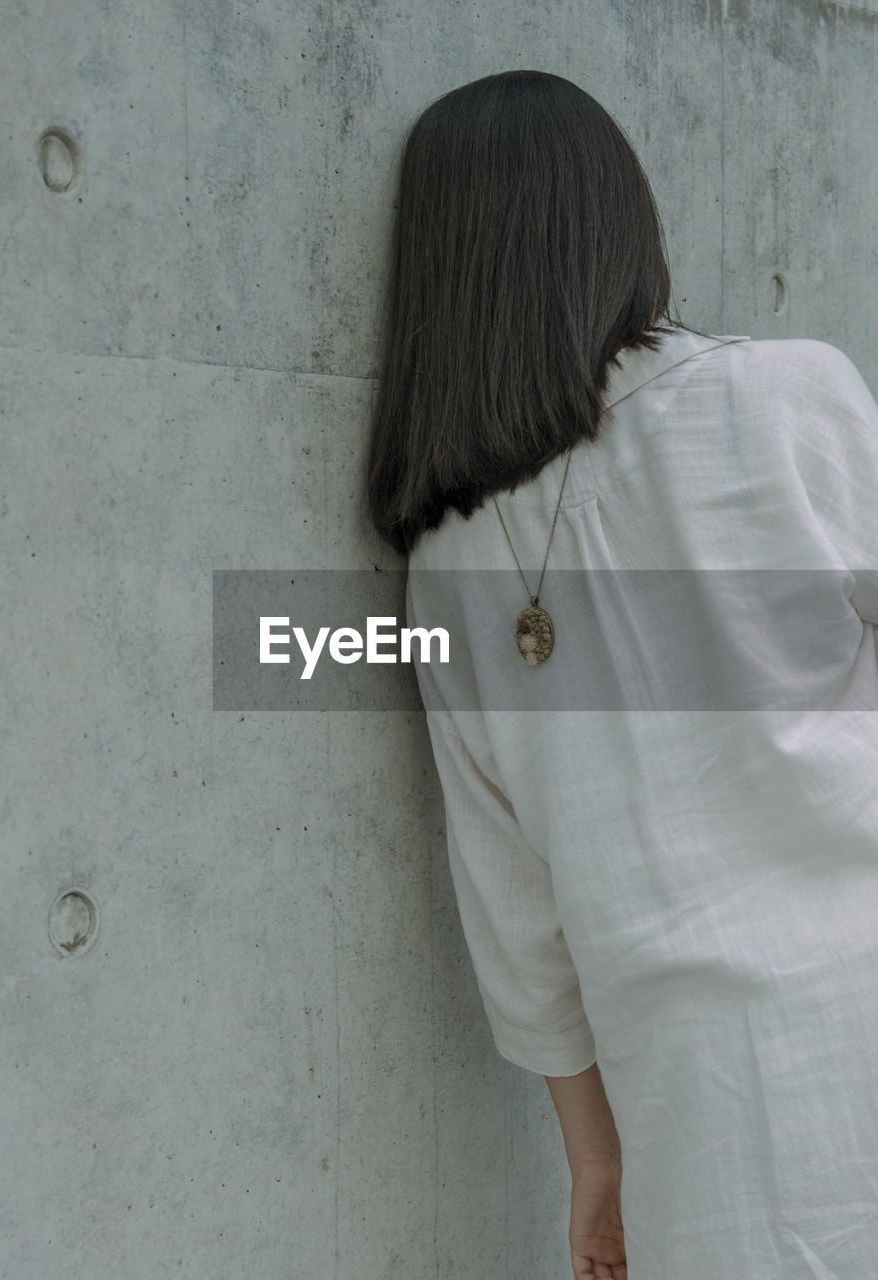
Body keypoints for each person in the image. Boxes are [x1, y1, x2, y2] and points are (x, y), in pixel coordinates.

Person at [364, 70, 878, 1280]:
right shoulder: (783, 397)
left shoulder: (444, 571)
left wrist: (596, 1167)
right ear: (615, 225)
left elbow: (515, 916)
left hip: (695, 1114)